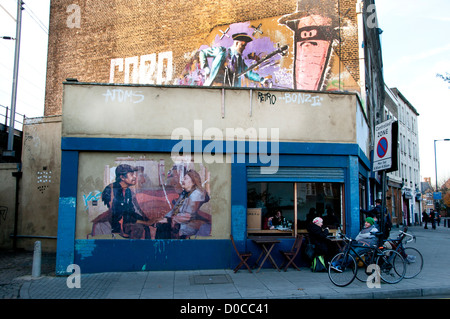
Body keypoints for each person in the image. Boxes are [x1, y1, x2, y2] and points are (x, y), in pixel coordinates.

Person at [199, 33, 270, 87]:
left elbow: (248, 73)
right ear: (236, 43)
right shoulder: (221, 51)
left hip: (230, 91)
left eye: (245, 46)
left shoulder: (239, 61)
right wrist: (205, 67)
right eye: (243, 45)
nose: (244, 48)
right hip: (214, 87)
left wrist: (262, 80)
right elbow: (203, 52)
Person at [100, 164, 150, 239]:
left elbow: (130, 212)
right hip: (109, 228)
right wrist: (144, 222)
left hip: (122, 224)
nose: (135, 177)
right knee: (138, 227)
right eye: (131, 174)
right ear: (122, 177)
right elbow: (116, 215)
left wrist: (147, 220)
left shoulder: (127, 191)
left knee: (146, 227)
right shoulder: (111, 190)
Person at [159, 169, 210, 239]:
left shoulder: (197, 194)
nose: (182, 180)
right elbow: (174, 209)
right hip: (180, 221)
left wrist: (169, 220)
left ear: (193, 182)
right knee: (160, 225)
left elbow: (188, 215)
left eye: (185, 179)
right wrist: (165, 217)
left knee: (165, 228)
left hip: (192, 224)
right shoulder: (185, 193)